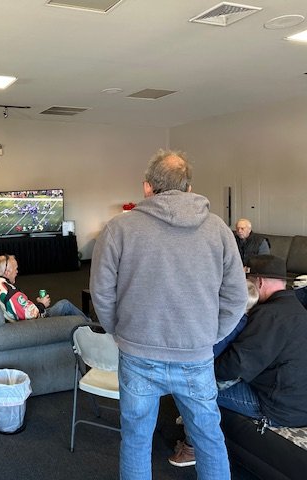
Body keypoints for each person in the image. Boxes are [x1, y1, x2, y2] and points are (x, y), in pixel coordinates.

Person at [90, 149, 248, 480]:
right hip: (195, 356)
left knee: (136, 441)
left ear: (147, 187)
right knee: (209, 441)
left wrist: (120, 331)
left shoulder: (118, 228)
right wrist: (209, 335)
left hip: (137, 353)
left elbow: (101, 293)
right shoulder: (219, 230)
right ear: (189, 188)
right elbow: (236, 296)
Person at [169, 278, 259, 468]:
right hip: (223, 370)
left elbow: (211, 351)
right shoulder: (245, 321)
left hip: (218, 373)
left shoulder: (231, 324)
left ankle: (191, 447)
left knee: (192, 395)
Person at [215, 254, 307, 428]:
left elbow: (237, 364)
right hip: (298, 404)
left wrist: (203, 373)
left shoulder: (269, 314)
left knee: (192, 389)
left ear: (259, 283)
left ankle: (193, 442)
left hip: (279, 409)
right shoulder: (298, 309)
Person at [0, 254, 88, 321]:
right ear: (7, 272)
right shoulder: (10, 293)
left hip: (18, 317)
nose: (17, 272)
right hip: (34, 324)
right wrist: (42, 304)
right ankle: (90, 325)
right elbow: (33, 315)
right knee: (65, 305)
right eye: (16, 269)